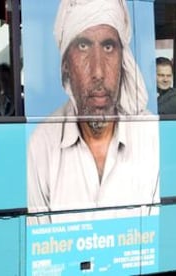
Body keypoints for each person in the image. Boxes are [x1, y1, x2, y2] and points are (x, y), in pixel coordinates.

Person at [27, 0, 159, 224]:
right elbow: (39, 238)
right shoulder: (42, 145)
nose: (98, 72)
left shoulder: (151, 135)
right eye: (83, 47)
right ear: (66, 64)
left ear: (122, 60)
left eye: (108, 47)